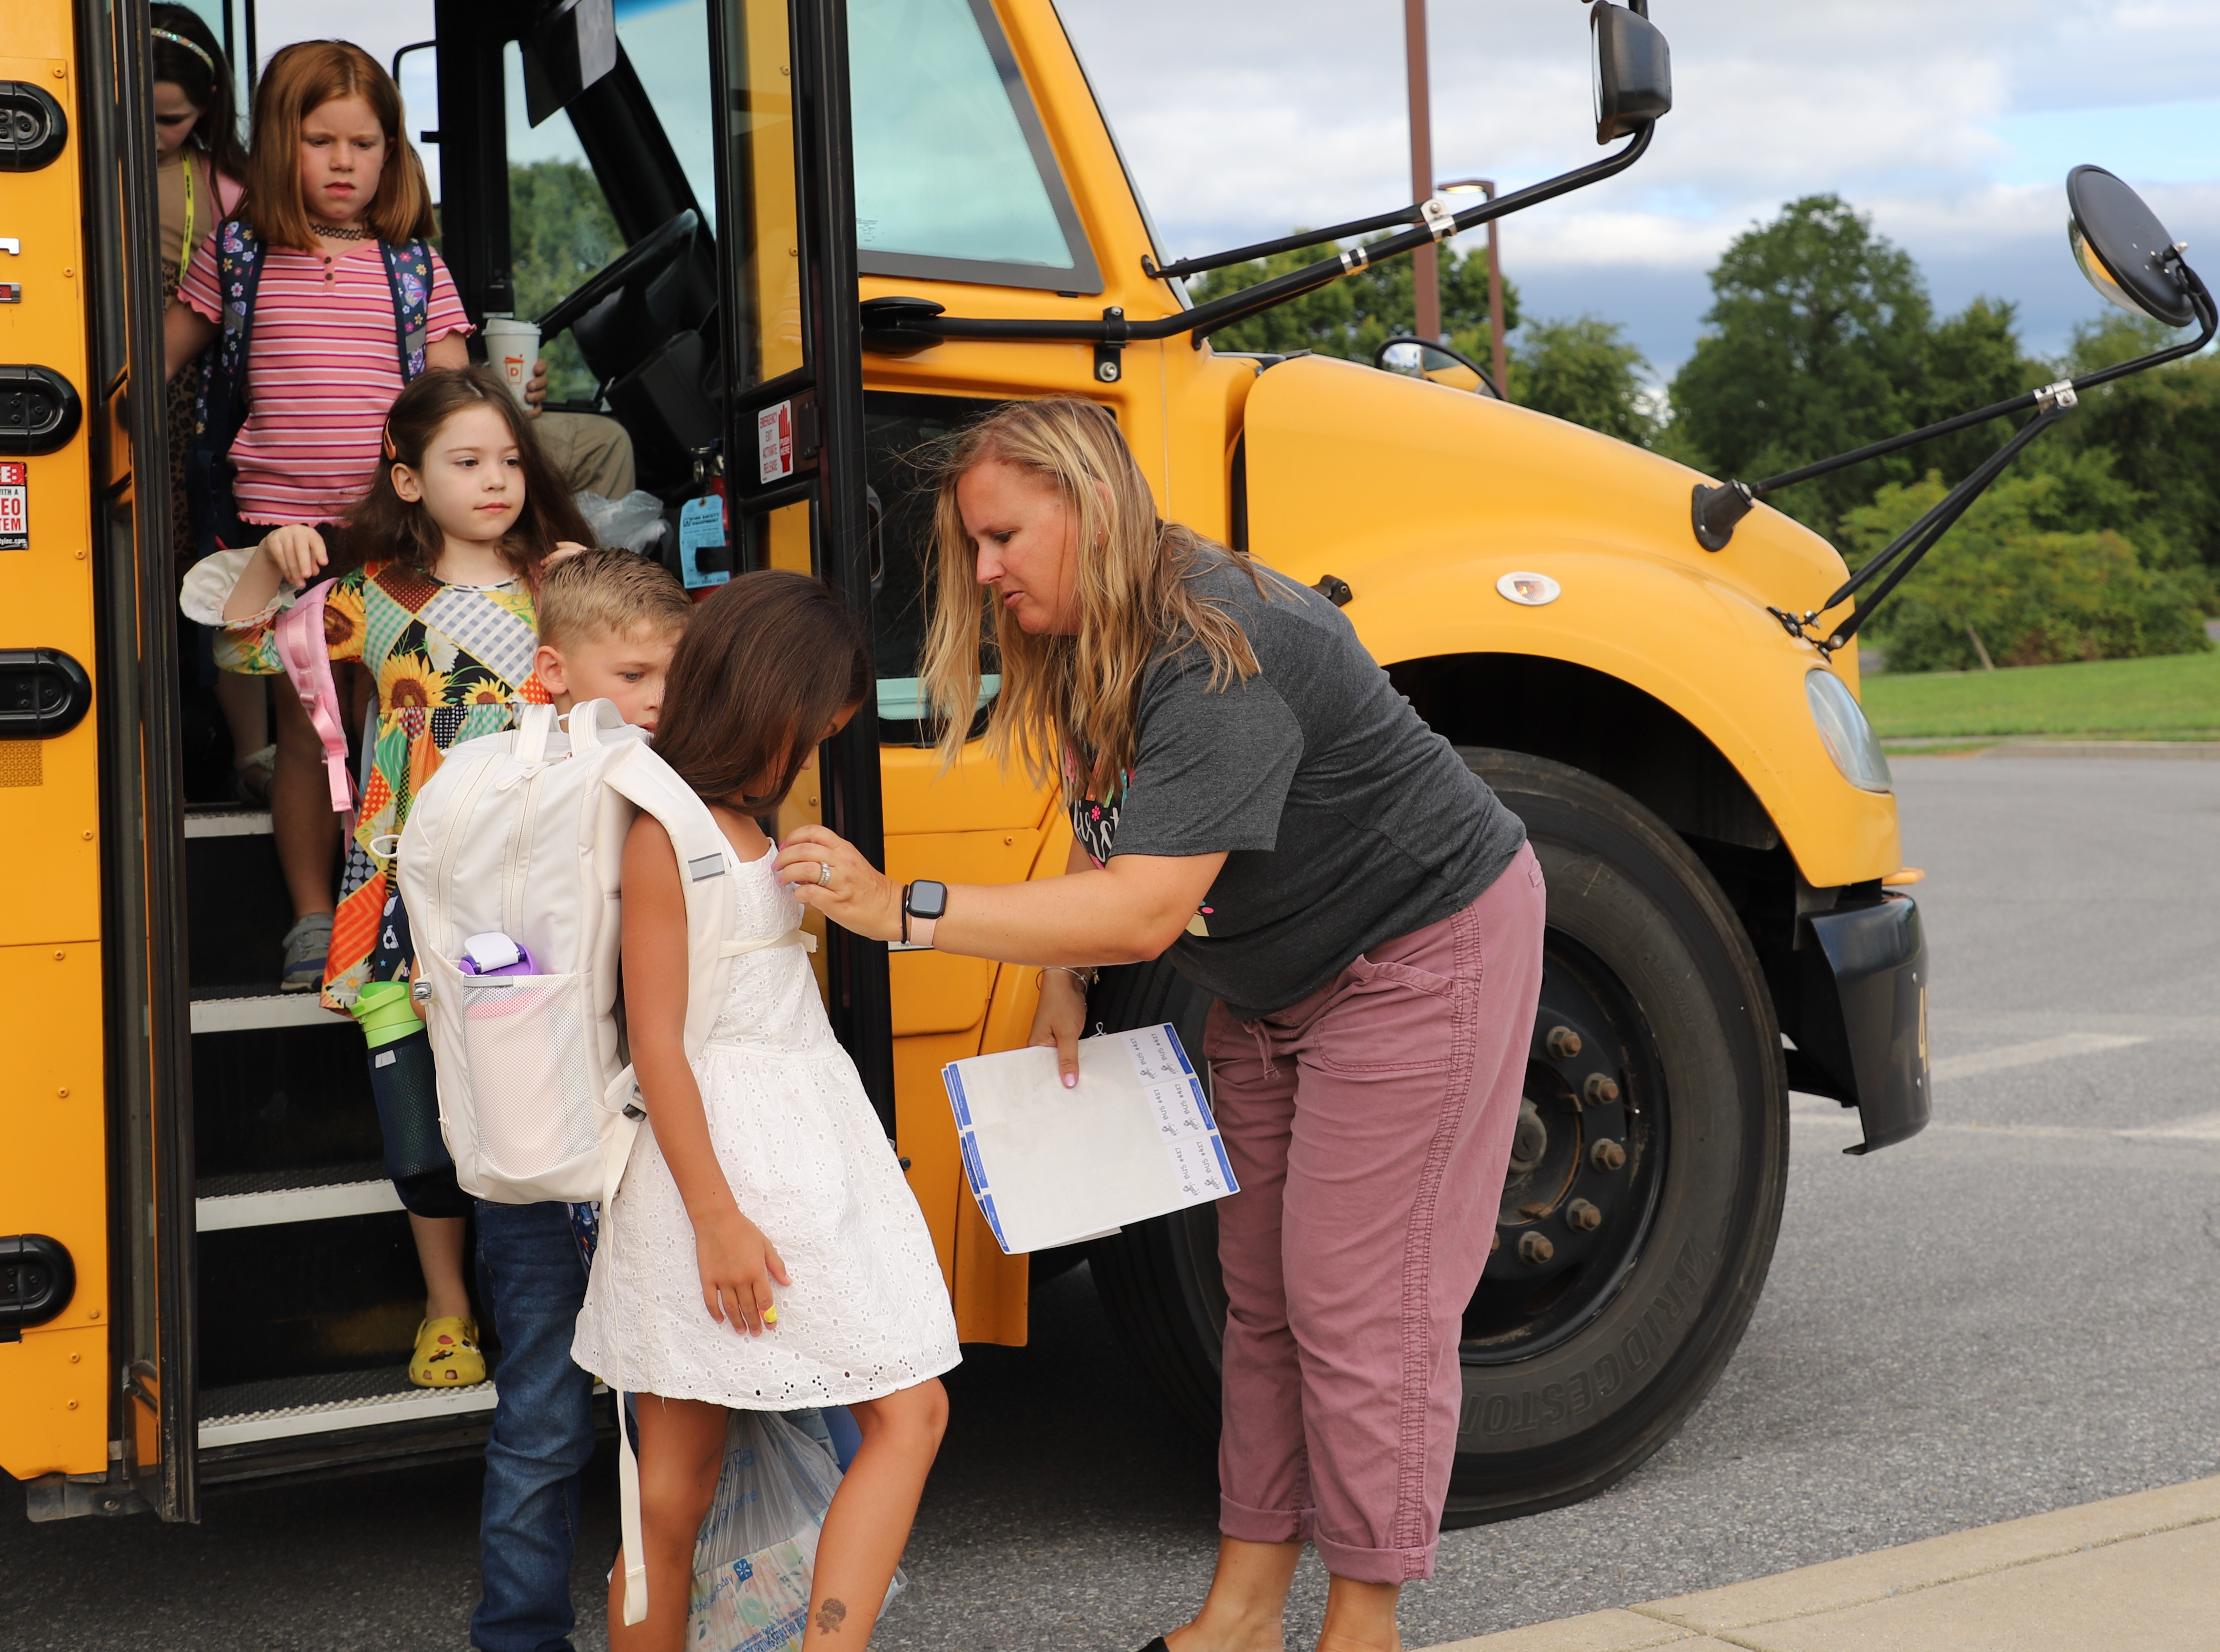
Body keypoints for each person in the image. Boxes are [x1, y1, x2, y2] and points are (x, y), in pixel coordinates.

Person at [775, 400, 1547, 1652]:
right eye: (972, 543)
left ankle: (1363, 1626)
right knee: (1261, 1299)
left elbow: (1139, 911)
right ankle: (1242, 1611)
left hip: (1416, 949)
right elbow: (1111, 827)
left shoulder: (1218, 644)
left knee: (1359, 1306)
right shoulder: (1091, 628)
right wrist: (1059, 973)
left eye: (1004, 537)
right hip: (1271, 975)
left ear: (1087, 505)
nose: (984, 571)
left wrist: (899, 912)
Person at [572, 571, 957, 1652]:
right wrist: (719, 1217)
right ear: (776, 695)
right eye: (830, 704)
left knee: (673, 1496)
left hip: (773, 1157)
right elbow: (660, 1041)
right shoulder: (674, 827)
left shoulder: (731, 815)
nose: (838, 724)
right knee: (897, 1415)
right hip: (739, 1174)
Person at [203, 367, 596, 1391]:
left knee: (550, 1092)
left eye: (510, 459)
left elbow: (643, 683)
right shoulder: (373, 592)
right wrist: (266, 560)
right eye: (467, 462)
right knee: (416, 1113)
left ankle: (579, 1302)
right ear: (409, 479)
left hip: (536, 882)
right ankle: (448, 1306)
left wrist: (592, 585)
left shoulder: (563, 583)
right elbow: (246, 652)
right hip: (403, 893)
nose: (497, 480)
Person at [165, 37, 483, 993]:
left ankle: (388, 903)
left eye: (366, 141)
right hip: (282, 534)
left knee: (398, 719)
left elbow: (458, 403)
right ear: (276, 145)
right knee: (310, 732)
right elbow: (163, 355)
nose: (345, 162)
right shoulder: (240, 255)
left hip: (391, 533)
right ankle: (312, 914)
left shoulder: (416, 268)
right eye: (320, 140)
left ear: (394, 153)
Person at [466, 547, 689, 1652]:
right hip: (557, 1151)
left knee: (643, 1410)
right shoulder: (520, 782)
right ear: (551, 670)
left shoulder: (507, 780)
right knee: (548, 1414)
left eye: (671, 681)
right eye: (635, 675)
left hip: (580, 1138)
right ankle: (517, 1633)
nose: (657, 703)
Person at [148, 5, 267, 799]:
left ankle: (248, 749)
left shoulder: (229, 189)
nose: (154, 132)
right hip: (145, 382)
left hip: (199, 400)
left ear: (207, 114)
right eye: (141, 115)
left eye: (173, 119)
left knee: (212, 565)